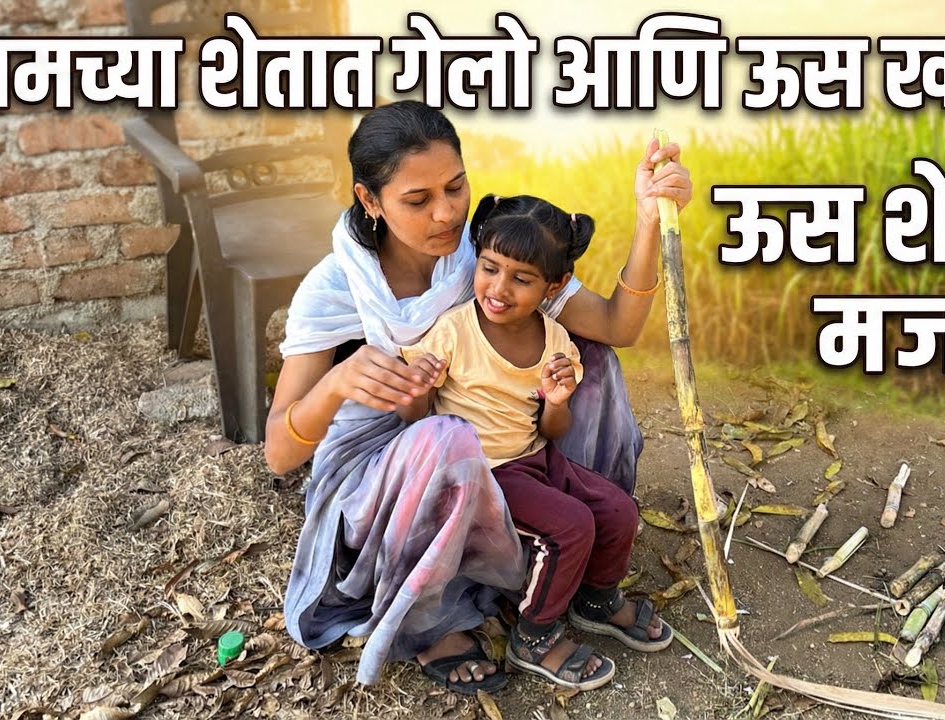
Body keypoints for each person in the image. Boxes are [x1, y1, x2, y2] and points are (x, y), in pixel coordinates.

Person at [264, 100, 691, 694]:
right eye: (417, 201)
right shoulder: (335, 287)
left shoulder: (487, 257)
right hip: (391, 454)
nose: (445, 214)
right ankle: (430, 618)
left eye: (456, 187)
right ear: (370, 201)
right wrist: (338, 382)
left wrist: (649, 218)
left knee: (588, 359)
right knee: (446, 438)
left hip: (500, 436)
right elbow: (280, 453)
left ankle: (562, 557)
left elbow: (618, 325)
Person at [397, 194, 674, 691]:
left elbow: (553, 432)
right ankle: (536, 635)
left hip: (535, 457)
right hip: (484, 473)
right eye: (489, 268)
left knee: (617, 510)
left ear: (555, 286)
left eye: (521, 279)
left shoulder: (555, 341)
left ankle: (596, 599)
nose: (498, 289)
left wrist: (558, 400)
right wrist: (416, 387)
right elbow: (415, 422)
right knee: (571, 527)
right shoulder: (454, 332)